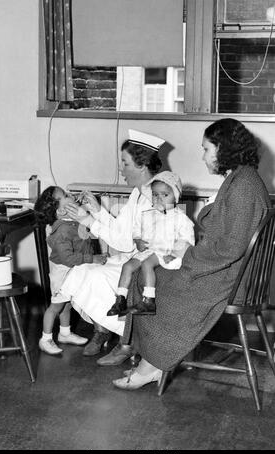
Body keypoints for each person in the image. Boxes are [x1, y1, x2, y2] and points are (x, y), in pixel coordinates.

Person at [112, 117, 271, 390]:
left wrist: (188, 254)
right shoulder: (242, 178)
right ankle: (152, 362)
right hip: (230, 270)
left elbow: (230, 248)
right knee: (148, 274)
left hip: (231, 280)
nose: (203, 156)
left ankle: (152, 365)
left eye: (207, 149)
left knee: (153, 280)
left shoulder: (243, 185)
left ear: (224, 149)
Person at [58, 130, 194, 366]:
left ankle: (128, 341)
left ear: (142, 166)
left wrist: (86, 221)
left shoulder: (154, 197)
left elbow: (122, 241)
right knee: (81, 271)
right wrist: (97, 210)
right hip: (134, 258)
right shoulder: (137, 193)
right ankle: (105, 331)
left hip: (152, 265)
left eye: (125, 162)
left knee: (94, 275)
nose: (121, 168)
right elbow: (122, 231)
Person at [107, 171, 195, 317]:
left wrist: (174, 254)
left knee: (147, 264)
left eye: (165, 195)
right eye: (155, 195)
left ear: (175, 196)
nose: (159, 199)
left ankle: (148, 300)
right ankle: (120, 299)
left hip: (166, 252)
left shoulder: (180, 218)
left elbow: (187, 239)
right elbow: (136, 228)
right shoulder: (148, 214)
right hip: (149, 250)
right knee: (127, 266)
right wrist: (138, 240)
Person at [34, 186, 108, 355]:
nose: (71, 195)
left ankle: (65, 333)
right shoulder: (61, 232)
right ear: (60, 212)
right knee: (56, 306)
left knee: (66, 305)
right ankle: (45, 339)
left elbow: (86, 237)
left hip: (72, 271)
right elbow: (68, 259)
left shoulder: (71, 222)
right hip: (63, 273)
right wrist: (93, 259)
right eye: (66, 196)